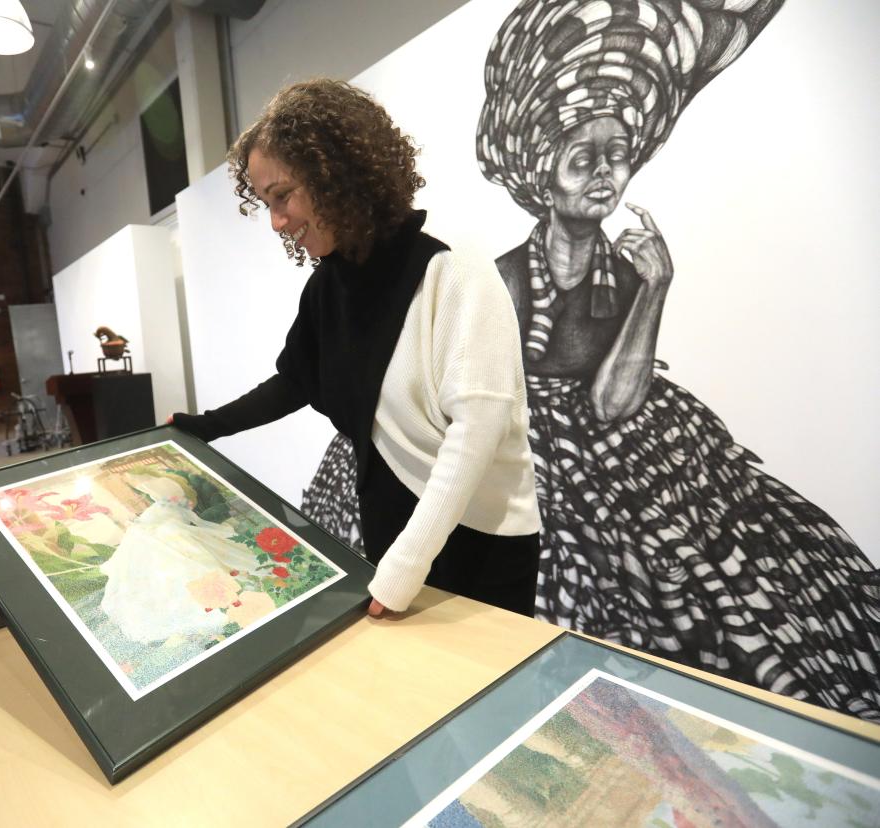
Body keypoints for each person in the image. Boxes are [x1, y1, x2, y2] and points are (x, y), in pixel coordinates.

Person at [472, 0, 880, 719]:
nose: (605, 174)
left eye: (618, 154)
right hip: (537, 463)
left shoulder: (630, 271)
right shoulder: (499, 281)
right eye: (583, 158)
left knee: (735, 587)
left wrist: (656, 286)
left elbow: (614, 402)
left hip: (640, 450)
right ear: (543, 169)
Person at [172, 79, 542, 618]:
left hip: (475, 541)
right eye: (266, 204)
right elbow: (298, 379)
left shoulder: (451, 272)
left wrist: (401, 572)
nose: (276, 222)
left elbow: (477, 432)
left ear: (335, 175)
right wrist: (205, 426)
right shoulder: (333, 283)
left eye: (282, 197)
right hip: (395, 535)